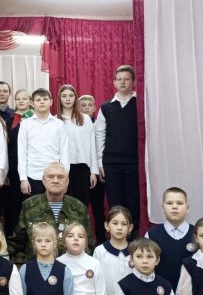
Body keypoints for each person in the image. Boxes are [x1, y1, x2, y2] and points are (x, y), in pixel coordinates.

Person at [15, 162, 94, 262]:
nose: (55, 181)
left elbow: (89, 244)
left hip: (71, 267)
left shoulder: (79, 208)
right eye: (50, 177)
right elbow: (18, 241)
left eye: (60, 177)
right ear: (43, 180)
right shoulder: (29, 206)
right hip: (37, 266)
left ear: (67, 181)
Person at [95, 65, 140, 232]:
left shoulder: (140, 104)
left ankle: (133, 237)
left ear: (133, 82)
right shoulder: (106, 107)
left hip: (134, 162)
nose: (122, 82)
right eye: (119, 79)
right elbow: (100, 134)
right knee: (115, 201)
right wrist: (100, 162)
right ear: (114, 82)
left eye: (126, 79)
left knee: (134, 201)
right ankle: (117, 235)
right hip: (111, 163)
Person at [18, 88, 69, 197]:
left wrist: (64, 177)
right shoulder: (25, 124)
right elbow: (21, 153)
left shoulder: (59, 124)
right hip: (32, 176)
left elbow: (64, 152)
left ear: (51, 102)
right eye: (38, 100)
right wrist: (23, 178)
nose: (42, 102)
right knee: (34, 207)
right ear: (32, 103)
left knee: (55, 207)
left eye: (45, 99)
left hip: (55, 176)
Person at [56, 84, 98, 206]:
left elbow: (92, 146)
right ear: (59, 99)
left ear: (75, 98)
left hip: (82, 168)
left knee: (81, 205)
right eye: (64, 96)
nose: (68, 99)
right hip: (63, 168)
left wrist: (93, 171)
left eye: (71, 95)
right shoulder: (55, 120)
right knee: (64, 205)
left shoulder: (85, 119)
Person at [5, 88, 34, 240]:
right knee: (12, 206)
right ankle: (12, 241)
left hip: (32, 169)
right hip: (13, 170)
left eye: (25, 98)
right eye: (18, 99)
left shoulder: (36, 120)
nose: (21, 101)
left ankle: (30, 240)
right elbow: (4, 147)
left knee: (30, 206)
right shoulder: (9, 121)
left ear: (31, 101)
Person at [79, 94, 107, 244]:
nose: (86, 108)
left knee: (98, 209)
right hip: (82, 172)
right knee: (80, 208)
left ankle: (101, 240)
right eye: (83, 105)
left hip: (98, 172)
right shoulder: (75, 125)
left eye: (90, 105)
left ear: (95, 108)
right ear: (78, 108)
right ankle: (83, 241)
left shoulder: (100, 125)